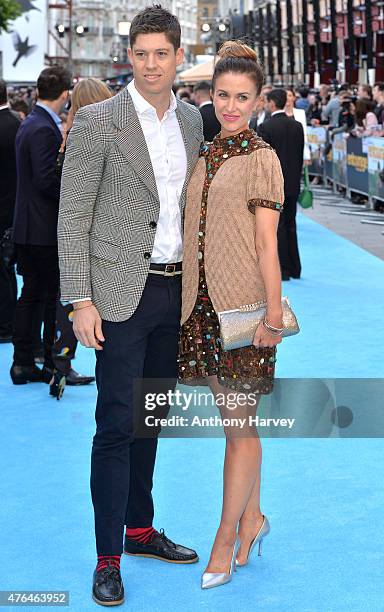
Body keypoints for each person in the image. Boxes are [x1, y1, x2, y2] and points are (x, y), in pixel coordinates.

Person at [58, 6, 203, 606]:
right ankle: (107, 556)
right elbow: (74, 215)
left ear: (177, 55)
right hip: (119, 296)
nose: (150, 64)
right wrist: (79, 301)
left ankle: (139, 529)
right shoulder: (98, 121)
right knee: (115, 426)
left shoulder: (194, 121)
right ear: (130, 57)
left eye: (160, 54)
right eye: (140, 54)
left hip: (176, 295)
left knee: (150, 420)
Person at [179, 41, 285, 590]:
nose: (230, 106)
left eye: (242, 97)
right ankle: (253, 519)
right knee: (240, 428)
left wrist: (271, 316)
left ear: (259, 99)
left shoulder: (261, 158)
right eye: (222, 94)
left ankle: (224, 539)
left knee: (239, 432)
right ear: (210, 94)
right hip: (201, 309)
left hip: (244, 312)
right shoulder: (205, 152)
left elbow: (268, 247)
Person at [50, 78, 113, 399]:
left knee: (68, 300)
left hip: (71, 231)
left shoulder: (69, 133)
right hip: (91, 235)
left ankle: (61, 362)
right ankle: (61, 363)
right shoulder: (91, 134)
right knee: (76, 300)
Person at [10, 66, 71, 385]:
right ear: (64, 94)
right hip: (42, 231)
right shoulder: (43, 128)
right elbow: (46, 180)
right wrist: (75, 192)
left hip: (29, 227)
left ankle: (25, 360)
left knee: (32, 295)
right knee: (44, 297)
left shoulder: (32, 122)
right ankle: (43, 360)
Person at [260, 89, 304, 280]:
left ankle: (284, 270)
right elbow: (300, 155)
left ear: (271, 104)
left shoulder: (266, 127)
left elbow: (264, 159)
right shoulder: (297, 126)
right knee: (291, 223)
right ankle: (296, 268)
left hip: (276, 184)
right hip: (294, 182)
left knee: (279, 227)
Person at [0, 79, 20, 343]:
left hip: (4, 210)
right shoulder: (18, 124)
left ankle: (5, 325)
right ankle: (7, 323)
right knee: (7, 271)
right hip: (14, 209)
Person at [284, 86, 310, 163]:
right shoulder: (278, 113)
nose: (287, 98)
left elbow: (304, 134)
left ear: (294, 98)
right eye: (285, 96)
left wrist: (306, 155)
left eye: (290, 95)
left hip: (296, 150)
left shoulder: (300, 113)